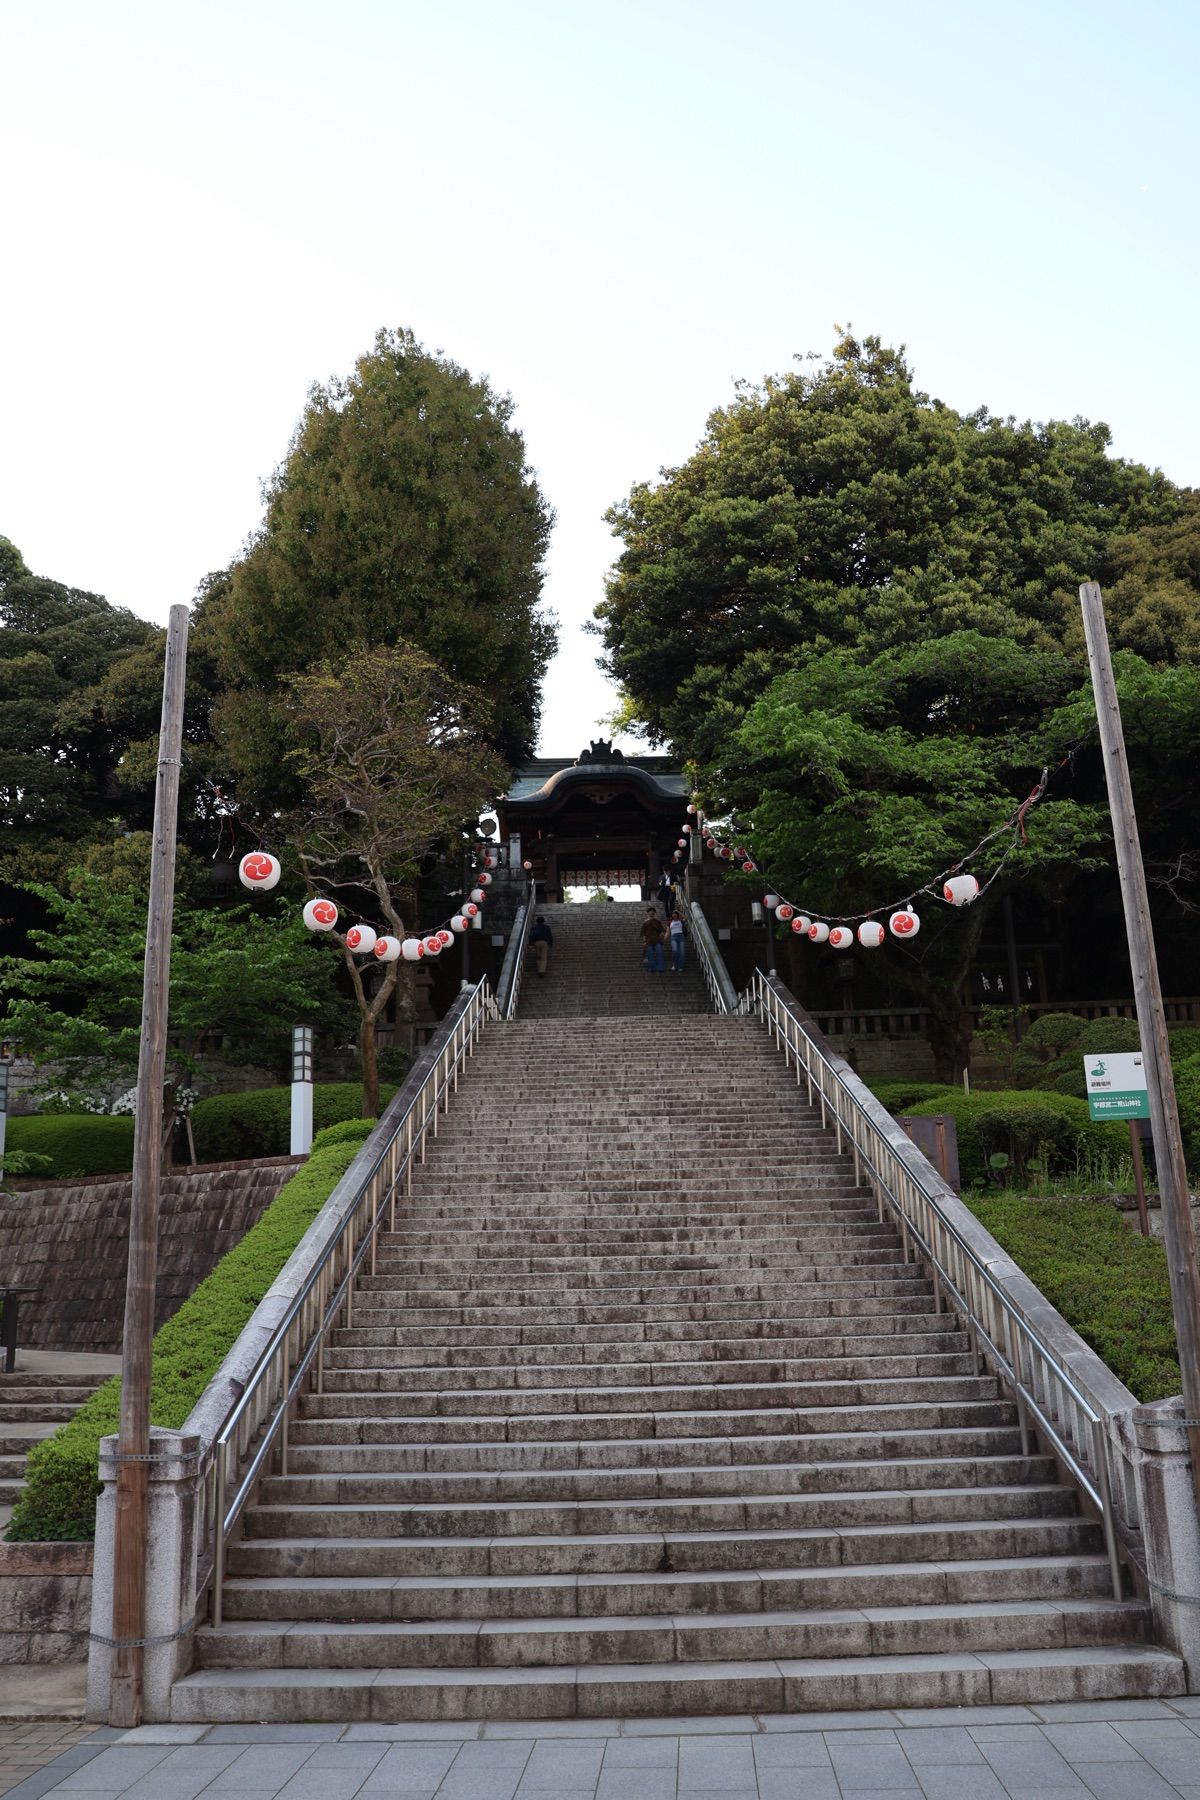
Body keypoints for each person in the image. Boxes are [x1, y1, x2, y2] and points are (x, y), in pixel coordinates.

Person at [640, 906, 665, 973]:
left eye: (653, 912)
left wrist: (662, 934)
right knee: (650, 954)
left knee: (659, 952)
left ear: (654, 913)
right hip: (648, 941)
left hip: (657, 940)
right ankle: (652, 968)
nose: (652, 913)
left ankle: (660, 968)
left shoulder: (658, 922)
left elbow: (662, 930)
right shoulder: (645, 923)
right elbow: (643, 934)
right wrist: (644, 941)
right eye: (650, 912)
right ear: (648, 913)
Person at [667, 908, 687, 972]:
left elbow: (686, 918)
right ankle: (675, 965)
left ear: (677, 915)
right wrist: (665, 937)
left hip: (681, 936)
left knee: (682, 952)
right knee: (675, 951)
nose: (674, 915)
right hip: (673, 937)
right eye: (673, 914)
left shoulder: (680, 921)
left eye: (675, 914)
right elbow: (668, 931)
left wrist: (678, 911)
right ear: (672, 915)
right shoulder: (670, 922)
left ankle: (680, 967)